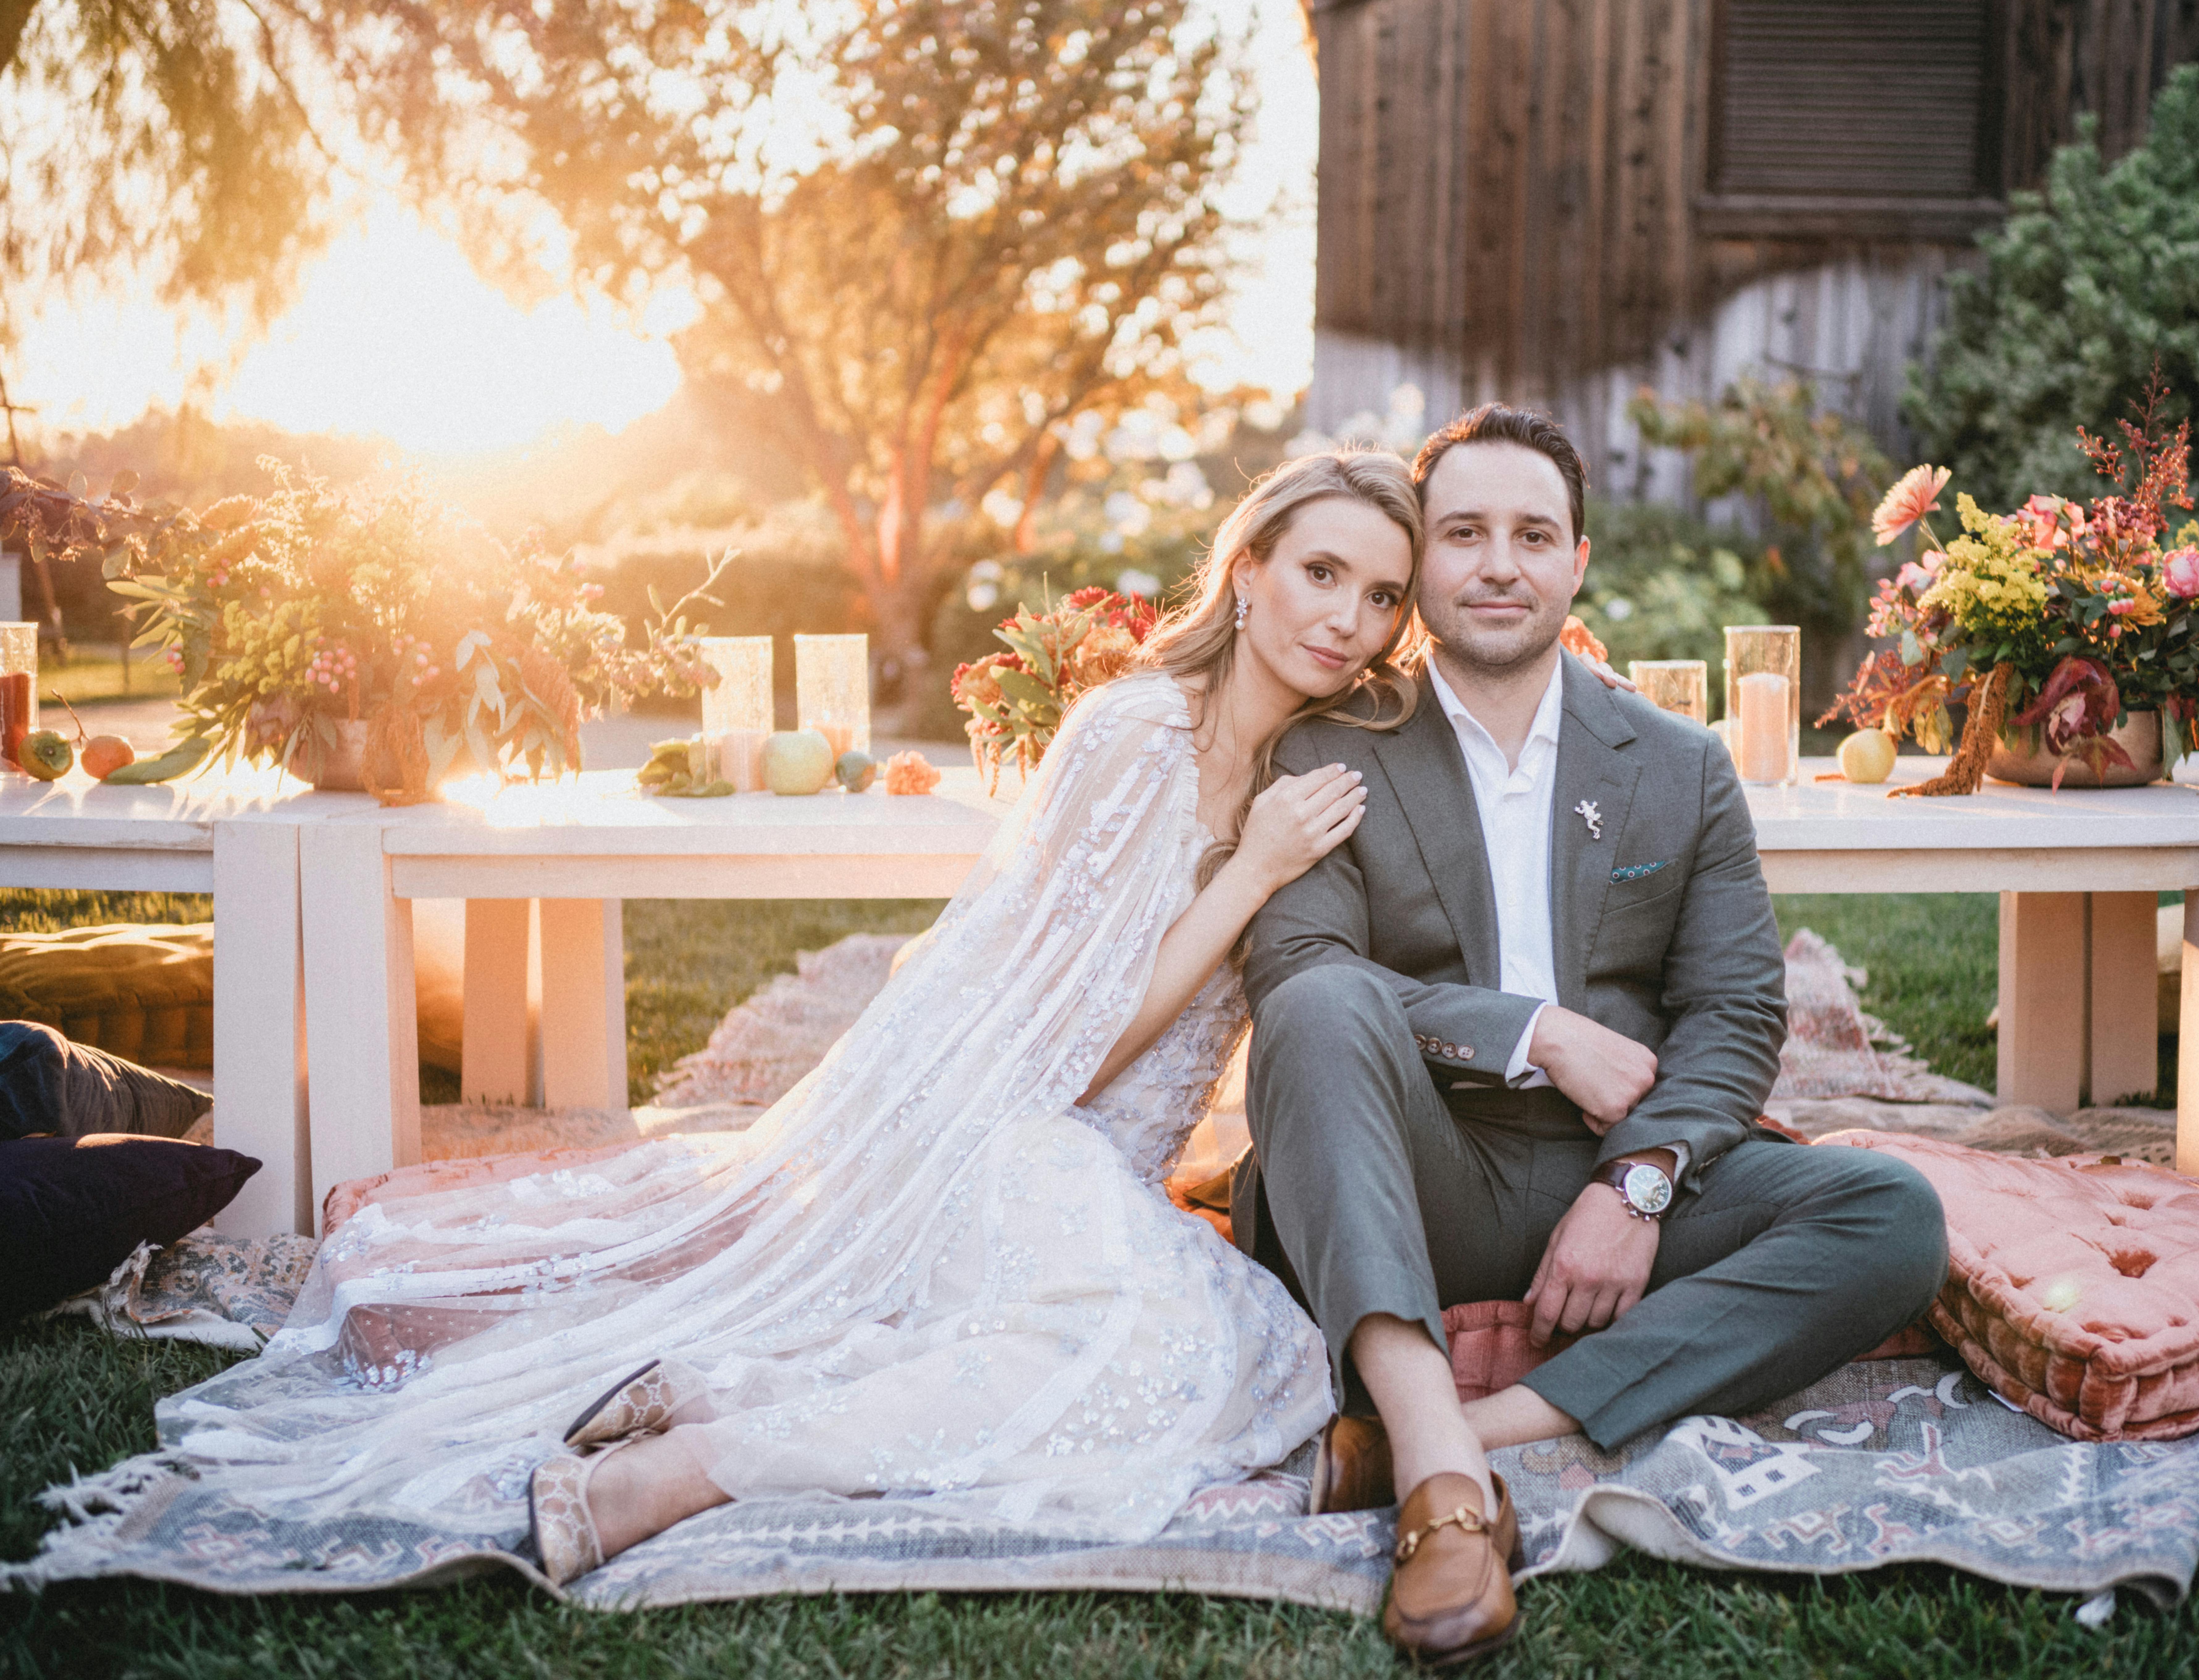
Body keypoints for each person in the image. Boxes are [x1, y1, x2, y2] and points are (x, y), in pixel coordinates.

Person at [14, 450, 1424, 1593]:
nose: (1343, 618)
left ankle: (705, 1390)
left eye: (1377, 597)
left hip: (1086, 1160)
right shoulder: (1139, 736)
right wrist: (1250, 874)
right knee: (1168, 1344)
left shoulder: (1300, 764)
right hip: (1008, 1131)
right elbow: (1078, 1043)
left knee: (1243, 1355)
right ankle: (668, 1475)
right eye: (1318, 572)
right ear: (1243, 569)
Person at [1237, 405, 1951, 1665]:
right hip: (1411, 1172)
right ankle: (1444, 1488)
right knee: (1319, 998)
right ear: (1423, 564)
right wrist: (1535, 1031)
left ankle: (1456, 1427)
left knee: (1889, 1215)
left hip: (1614, 1174)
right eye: (1461, 532)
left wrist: (1640, 1176)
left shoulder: (1678, 762)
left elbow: (1734, 1012)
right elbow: (1296, 965)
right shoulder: (1331, 742)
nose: (1497, 562)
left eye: (1530, 533)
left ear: (1577, 560)